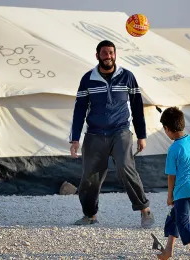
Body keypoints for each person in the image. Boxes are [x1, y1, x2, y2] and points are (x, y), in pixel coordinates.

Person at [69, 40, 154, 228]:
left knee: (125, 166)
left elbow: (137, 108)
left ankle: (145, 210)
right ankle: (90, 215)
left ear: (115, 54)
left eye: (111, 52)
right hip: (94, 133)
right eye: (105, 53)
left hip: (120, 131)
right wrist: (75, 139)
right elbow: (79, 109)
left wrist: (141, 135)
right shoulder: (88, 79)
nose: (108, 56)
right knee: (89, 177)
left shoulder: (127, 77)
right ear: (97, 55)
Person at [154, 107, 190, 260]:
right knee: (173, 217)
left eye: (164, 130)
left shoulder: (174, 148)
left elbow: (171, 176)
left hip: (183, 189)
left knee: (182, 222)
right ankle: (168, 251)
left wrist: (169, 196)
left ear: (167, 129)